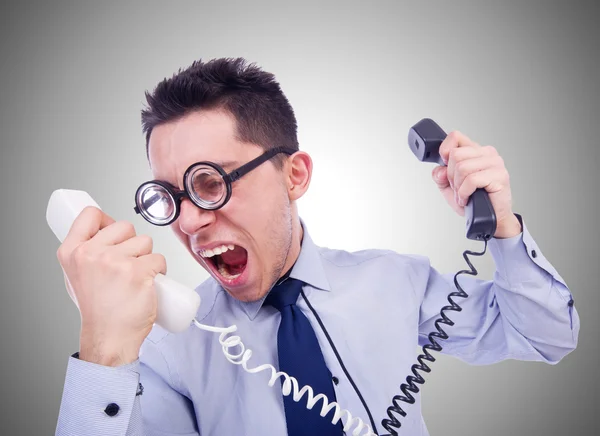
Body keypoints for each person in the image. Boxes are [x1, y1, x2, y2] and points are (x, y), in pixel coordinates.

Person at [54, 57, 579, 436]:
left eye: (210, 182)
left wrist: (502, 226)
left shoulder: (395, 283)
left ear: (295, 175)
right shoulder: (166, 351)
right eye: (168, 197)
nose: (189, 220)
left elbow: (547, 336)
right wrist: (103, 352)